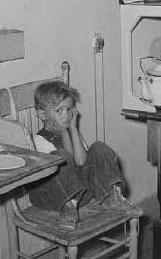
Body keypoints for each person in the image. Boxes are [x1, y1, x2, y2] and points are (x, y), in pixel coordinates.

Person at [27, 81, 136, 229]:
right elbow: (67, 163)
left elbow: (81, 162)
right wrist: (65, 133)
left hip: (81, 195)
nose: (66, 115)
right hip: (53, 197)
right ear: (42, 114)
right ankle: (68, 207)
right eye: (59, 111)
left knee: (98, 147)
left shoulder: (73, 133)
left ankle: (111, 196)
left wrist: (73, 129)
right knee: (60, 156)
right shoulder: (38, 140)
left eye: (69, 109)